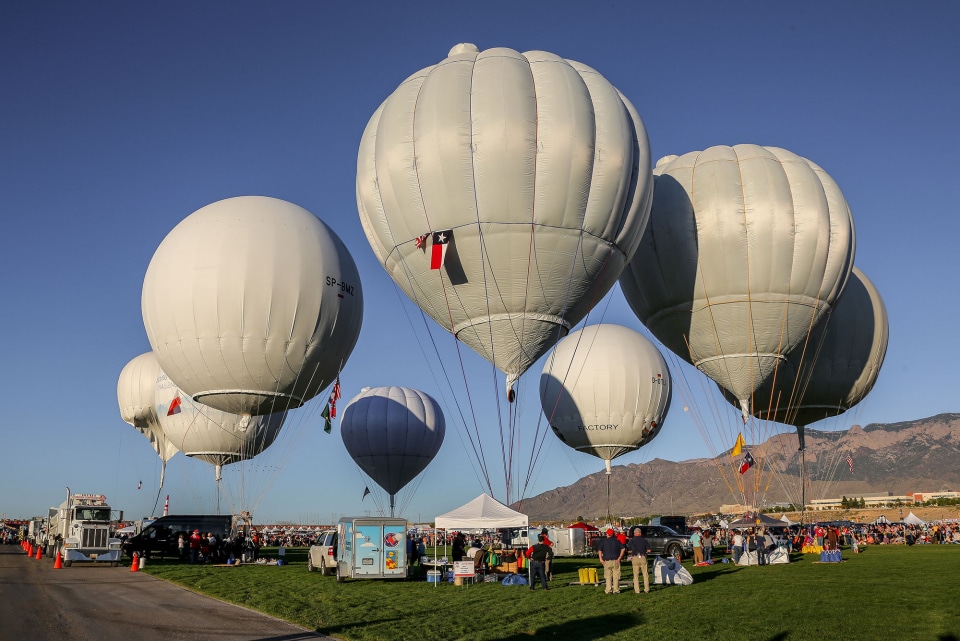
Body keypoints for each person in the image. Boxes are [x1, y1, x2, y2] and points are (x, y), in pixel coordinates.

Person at [597, 528, 625, 594]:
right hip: (616, 560)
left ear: (607, 534)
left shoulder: (603, 541)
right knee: (616, 576)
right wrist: (620, 557)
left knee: (608, 576)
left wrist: (601, 559)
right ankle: (616, 590)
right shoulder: (617, 541)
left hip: (607, 561)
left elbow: (600, 550)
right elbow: (623, 549)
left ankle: (608, 590)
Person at [626, 527, 651, 594]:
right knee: (645, 574)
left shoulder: (631, 541)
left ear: (634, 533)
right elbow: (649, 550)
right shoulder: (644, 540)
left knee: (636, 575)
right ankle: (647, 589)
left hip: (635, 557)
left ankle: (637, 590)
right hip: (643, 557)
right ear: (640, 533)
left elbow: (629, 551)